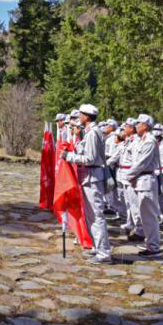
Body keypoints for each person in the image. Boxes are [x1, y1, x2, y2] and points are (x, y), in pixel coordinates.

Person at [62, 104, 113, 264]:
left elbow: (89, 158)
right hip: (89, 176)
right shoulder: (91, 132)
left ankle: (104, 253)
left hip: (93, 176)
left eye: (81, 115)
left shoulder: (92, 133)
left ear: (86, 116)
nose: (79, 118)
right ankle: (97, 248)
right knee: (91, 215)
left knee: (97, 216)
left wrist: (69, 156)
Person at [125, 114, 162, 256]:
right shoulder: (140, 140)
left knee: (149, 215)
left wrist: (129, 176)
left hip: (146, 179)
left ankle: (153, 246)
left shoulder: (149, 141)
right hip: (139, 179)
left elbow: (142, 163)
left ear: (145, 126)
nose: (136, 125)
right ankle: (150, 243)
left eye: (139, 123)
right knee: (143, 214)